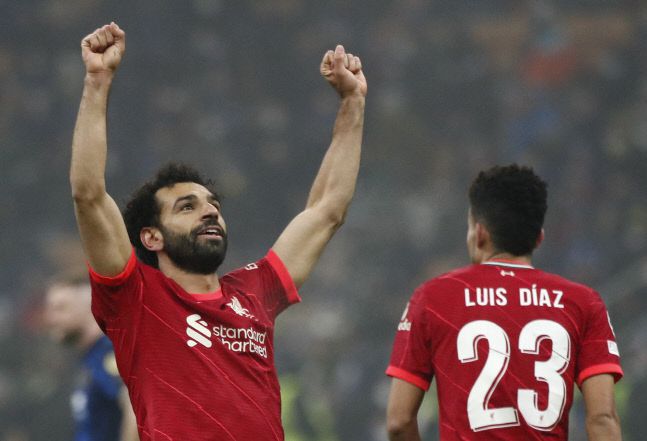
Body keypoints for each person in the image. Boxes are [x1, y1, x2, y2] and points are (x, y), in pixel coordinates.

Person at [70, 22, 366, 440]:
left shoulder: (254, 290)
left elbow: (327, 211)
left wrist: (353, 103)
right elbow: (88, 195)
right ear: (152, 237)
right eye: (187, 207)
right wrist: (97, 82)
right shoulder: (135, 300)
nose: (209, 212)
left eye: (213, 205)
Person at [385, 164, 623, 441]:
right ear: (539, 238)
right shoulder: (583, 302)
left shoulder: (433, 298)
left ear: (479, 233)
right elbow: (602, 419)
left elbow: (399, 422)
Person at [44, 275, 139, 441]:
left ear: (90, 307)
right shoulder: (90, 357)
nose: (51, 319)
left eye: (61, 308)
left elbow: (137, 409)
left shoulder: (108, 353)